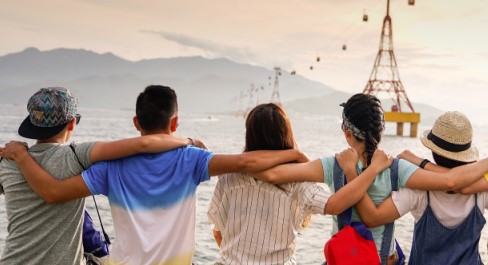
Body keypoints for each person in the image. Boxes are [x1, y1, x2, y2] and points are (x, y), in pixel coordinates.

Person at [0, 85, 307, 265]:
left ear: (135, 121)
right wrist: (292, 154)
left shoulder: (107, 167)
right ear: (175, 124)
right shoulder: (192, 160)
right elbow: (246, 163)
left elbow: (55, 192)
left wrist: (22, 157)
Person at [252, 94, 488, 265]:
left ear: (346, 132)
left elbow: (272, 174)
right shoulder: (398, 169)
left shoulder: (332, 165)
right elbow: (451, 182)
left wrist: (291, 154)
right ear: (381, 130)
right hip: (386, 260)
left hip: (345, 260)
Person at [0, 87, 198, 265]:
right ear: (71, 124)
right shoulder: (77, 156)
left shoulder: (8, 162)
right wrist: (190, 141)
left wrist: (19, 155)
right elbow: (144, 144)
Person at [207, 103, 392, 264]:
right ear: (285, 135)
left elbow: (218, 232)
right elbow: (335, 205)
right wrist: (373, 169)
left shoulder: (228, 178)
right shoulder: (297, 182)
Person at [347, 111, 488, 264]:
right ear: (466, 154)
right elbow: (455, 182)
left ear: (434, 151)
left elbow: (372, 218)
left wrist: (352, 173)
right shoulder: (481, 191)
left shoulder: (419, 190)